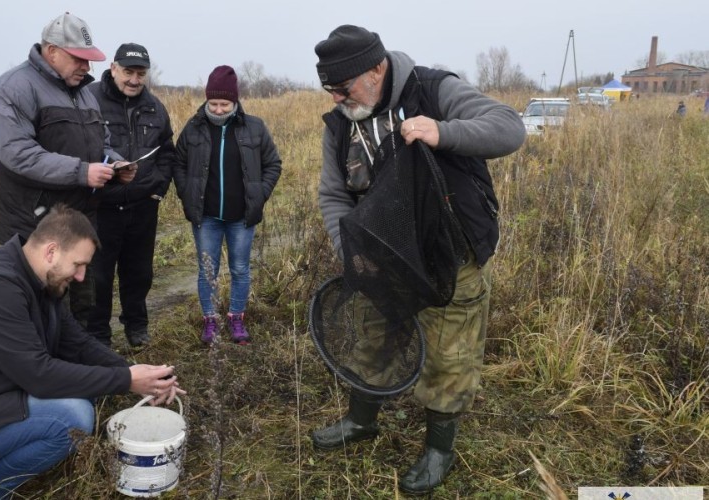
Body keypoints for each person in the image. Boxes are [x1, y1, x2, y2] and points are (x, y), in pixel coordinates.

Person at [310, 25, 525, 495]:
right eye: (328, 89)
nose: (336, 99)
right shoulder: (341, 121)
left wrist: (443, 132)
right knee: (371, 336)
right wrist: (351, 254)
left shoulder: (434, 88)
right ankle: (361, 421)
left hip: (450, 251)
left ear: (377, 68)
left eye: (343, 88)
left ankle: (438, 449)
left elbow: (509, 128)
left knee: (450, 352)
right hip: (381, 255)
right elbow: (333, 194)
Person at [0, 205, 185, 499]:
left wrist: (141, 376)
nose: (82, 276)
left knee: (84, 390)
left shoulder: (39, 282)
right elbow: (40, 376)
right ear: (51, 252)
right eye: (78, 264)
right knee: (73, 419)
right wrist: (126, 380)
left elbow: (78, 344)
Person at [0, 12, 135, 326]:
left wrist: (114, 163)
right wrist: (82, 172)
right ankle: (42, 371)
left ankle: (79, 368)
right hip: (33, 230)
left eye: (89, 60)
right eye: (79, 59)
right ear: (51, 51)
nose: (86, 67)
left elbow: (99, 145)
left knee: (80, 311)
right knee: (40, 315)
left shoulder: (83, 94)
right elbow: (18, 154)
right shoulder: (13, 89)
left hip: (78, 225)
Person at [171, 65, 282, 345]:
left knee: (241, 269)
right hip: (206, 216)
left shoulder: (254, 127)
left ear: (235, 102)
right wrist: (186, 193)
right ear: (206, 100)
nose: (219, 110)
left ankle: (236, 318)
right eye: (213, 103)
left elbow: (273, 164)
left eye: (225, 104)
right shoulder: (194, 127)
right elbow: (179, 164)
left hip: (241, 217)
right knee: (207, 270)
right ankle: (210, 320)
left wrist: (260, 194)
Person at [84, 43, 175, 348]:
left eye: (140, 73)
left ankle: (136, 325)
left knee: (139, 273)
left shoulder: (155, 107)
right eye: (128, 72)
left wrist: (157, 191)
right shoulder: (90, 100)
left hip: (142, 207)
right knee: (97, 276)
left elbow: (167, 153)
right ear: (112, 68)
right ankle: (98, 336)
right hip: (102, 209)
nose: (135, 79)